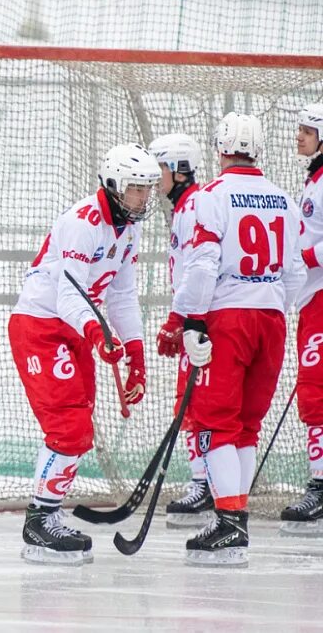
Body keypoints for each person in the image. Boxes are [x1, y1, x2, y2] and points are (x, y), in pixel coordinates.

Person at [9, 143, 159, 566]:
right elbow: (68, 294)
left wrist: (136, 355)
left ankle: (48, 512)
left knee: (80, 426)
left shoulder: (129, 228)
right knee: (69, 426)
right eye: (136, 189)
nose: (143, 198)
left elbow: (122, 295)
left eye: (148, 189)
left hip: (75, 328)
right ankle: (40, 520)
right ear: (113, 185)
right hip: (42, 326)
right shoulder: (83, 222)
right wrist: (98, 335)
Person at [173, 112, 305, 567]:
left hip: (228, 317)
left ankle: (229, 523)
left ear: (220, 149)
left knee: (214, 423)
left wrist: (193, 319)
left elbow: (202, 263)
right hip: (271, 317)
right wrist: (275, 307)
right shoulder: (284, 199)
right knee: (247, 426)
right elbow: (295, 271)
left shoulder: (210, 196)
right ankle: (235, 517)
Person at [149, 133, 214, 529]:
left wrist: (180, 320)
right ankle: (203, 481)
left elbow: (197, 269)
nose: (154, 178)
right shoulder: (186, 206)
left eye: (159, 169)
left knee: (198, 405)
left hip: (200, 321)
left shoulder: (193, 206)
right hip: (195, 317)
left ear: (178, 169)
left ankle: (205, 485)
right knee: (188, 404)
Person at [281, 104, 323, 535]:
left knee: (315, 391)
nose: (299, 136)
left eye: (308, 131)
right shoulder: (314, 179)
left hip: (322, 298)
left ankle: (321, 486)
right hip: (311, 299)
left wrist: (305, 256)